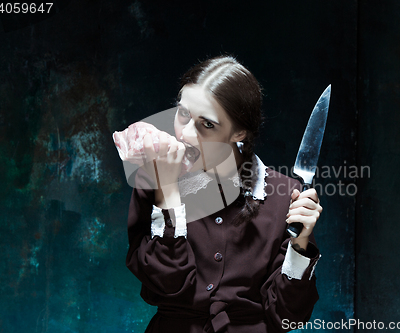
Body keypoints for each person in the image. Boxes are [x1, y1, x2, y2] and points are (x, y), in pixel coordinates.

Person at [126, 55, 323, 333]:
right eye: (183, 114)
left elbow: (287, 316)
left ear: (239, 132)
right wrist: (168, 195)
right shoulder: (152, 179)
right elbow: (167, 287)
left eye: (207, 124)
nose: (185, 135)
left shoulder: (286, 195)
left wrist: (300, 245)